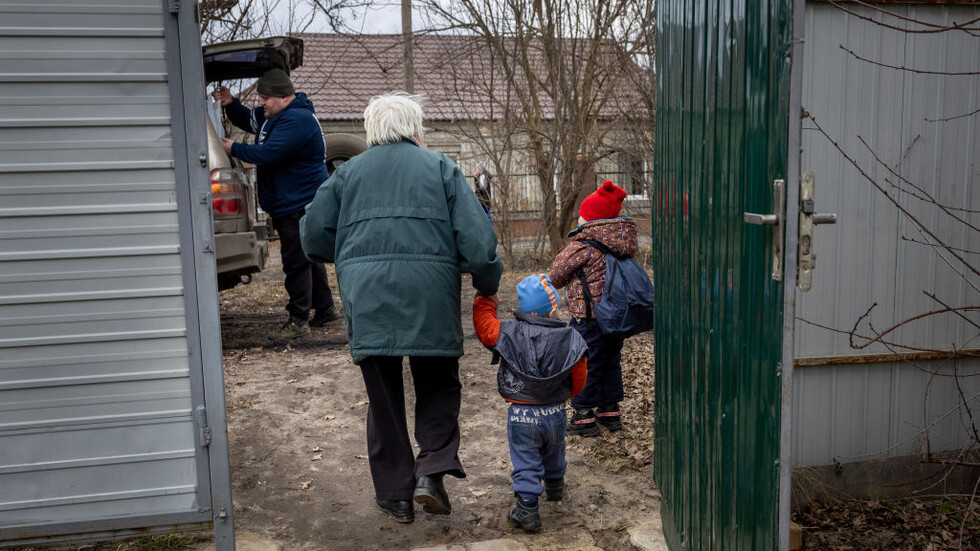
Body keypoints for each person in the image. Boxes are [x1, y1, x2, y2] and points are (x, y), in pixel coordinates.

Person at [299, 92, 503, 524]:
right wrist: (487, 285)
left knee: (383, 395)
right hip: (429, 294)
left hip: (368, 296)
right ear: (416, 130)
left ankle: (395, 495)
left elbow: (314, 237)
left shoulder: (347, 174)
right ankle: (431, 473)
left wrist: (357, 258)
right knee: (438, 386)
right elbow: (479, 243)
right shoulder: (441, 168)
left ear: (372, 131)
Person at [211, 69, 338, 340]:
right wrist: (231, 104)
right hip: (290, 202)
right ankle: (325, 308)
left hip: (299, 204)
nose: (262, 103)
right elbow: (250, 120)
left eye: (266, 98)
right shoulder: (277, 115)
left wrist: (234, 148)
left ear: (283, 97)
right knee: (309, 258)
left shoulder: (298, 120)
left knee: (296, 261)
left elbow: (269, 153)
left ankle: (298, 321)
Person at [472, 274, 588, 532]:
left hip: (521, 415)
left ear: (523, 308)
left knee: (526, 459)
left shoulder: (508, 332)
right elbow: (579, 374)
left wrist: (484, 301)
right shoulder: (569, 338)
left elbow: (484, 328)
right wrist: (569, 394)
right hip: (555, 412)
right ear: (553, 308)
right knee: (555, 451)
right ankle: (555, 487)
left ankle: (526, 509)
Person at [548, 180, 635, 437]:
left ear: (591, 219)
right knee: (610, 361)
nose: (578, 219)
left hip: (588, 318)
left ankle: (584, 416)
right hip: (616, 317)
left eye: (582, 215)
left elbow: (556, 274)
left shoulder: (583, 245)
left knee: (586, 363)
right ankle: (610, 411)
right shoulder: (621, 242)